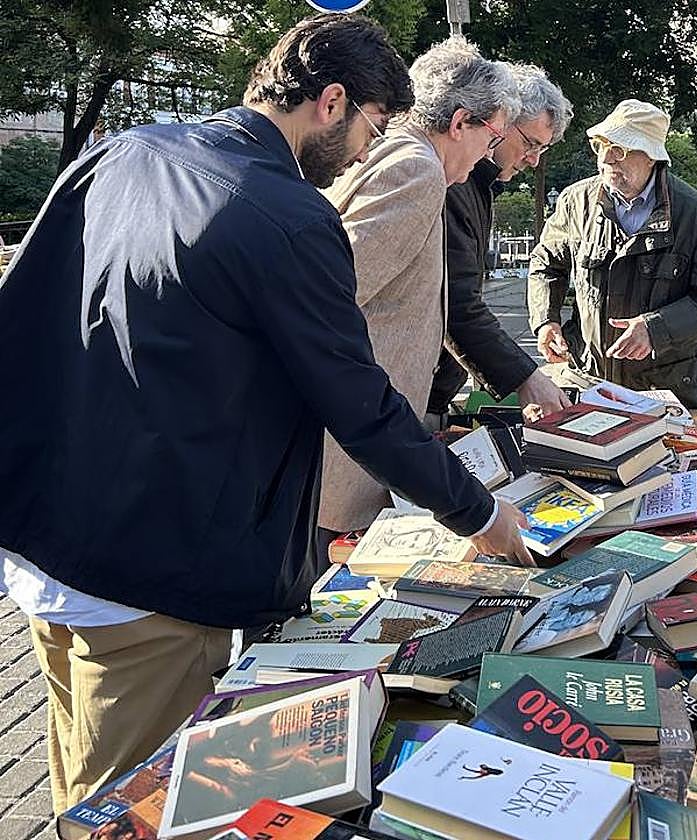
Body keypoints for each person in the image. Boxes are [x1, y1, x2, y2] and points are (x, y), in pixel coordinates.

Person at [0, 14, 530, 815]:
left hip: (45, 534)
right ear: (332, 102)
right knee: (139, 809)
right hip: (152, 574)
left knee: (82, 788)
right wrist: (479, 513)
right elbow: (359, 404)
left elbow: (25, 312)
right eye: (371, 129)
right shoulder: (287, 215)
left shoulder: (127, 151)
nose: (363, 155)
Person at [319, 38, 520, 536]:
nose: (488, 156)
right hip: (352, 441)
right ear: (460, 123)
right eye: (492, 138)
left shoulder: (392, 148)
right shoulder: (417, 169)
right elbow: (330, 298)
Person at [527, 99, 697, 408]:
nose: (606, 158)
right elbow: (546, 265)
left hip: (670, 389)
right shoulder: (576, 202)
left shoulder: (695, 213)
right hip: (590, 380)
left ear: (651, 157)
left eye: (619, 149)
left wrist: (656, 329)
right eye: (600, 146)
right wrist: (546, 320)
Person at [425, 63, 575, 426]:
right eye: (530, 144)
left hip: (429, 390)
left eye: (542, 149)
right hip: (413, 391)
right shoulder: (453, 180)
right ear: (501, 119)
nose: (534, 160)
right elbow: (456, 303)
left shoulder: (477, 184)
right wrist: (526, 379)